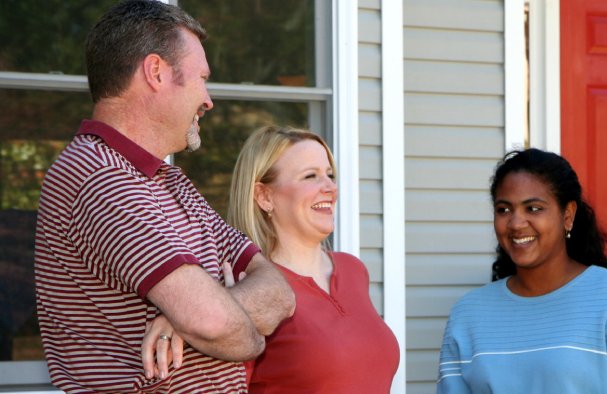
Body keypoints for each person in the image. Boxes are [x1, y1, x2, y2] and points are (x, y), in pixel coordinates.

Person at [33, 1, 295, 392]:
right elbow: (219, 326)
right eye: (201, 78)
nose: (208, 100)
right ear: (156, 72)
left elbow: (279, 291)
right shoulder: (100, 177)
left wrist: (188, 320)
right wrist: (241, 333)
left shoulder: (170, 183)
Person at [438, 148, 607, 393]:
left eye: (533, 208)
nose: (516, 223)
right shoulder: (468, 314)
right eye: (504, 209)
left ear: (567, 215)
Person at [227, 125, 400, 393]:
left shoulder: (353, 270)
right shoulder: (247, 287)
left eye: (330, 175)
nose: (330, 187)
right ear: (264, 196)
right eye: (310, 176)